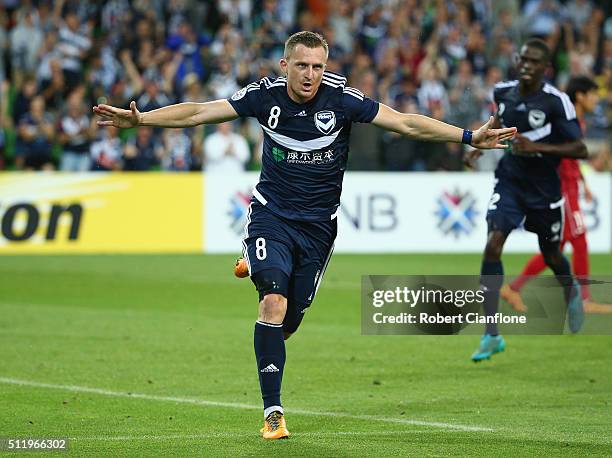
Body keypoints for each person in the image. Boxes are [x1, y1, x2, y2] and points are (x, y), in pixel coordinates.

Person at [94, 31, 516, 440]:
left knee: (288, 323)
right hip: (271, 216)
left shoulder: (343, 100)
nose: (310, 74)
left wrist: (468, 136)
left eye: (317, 66)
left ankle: (259, 270)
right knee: (272, 302)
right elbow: (199, 112)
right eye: (302, 66)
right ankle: (273, 414)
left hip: (318, 229)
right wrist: (142, 118)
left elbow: (405, 123)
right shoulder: (265, 96)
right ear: (285, 66)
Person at [465, 39, 588, 363]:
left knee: (551, 254)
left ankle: (569, 287)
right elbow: (501, 124)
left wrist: (539, 148)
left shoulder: (556, 102)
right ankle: (491, 333)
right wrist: (478, 149)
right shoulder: (503, 91)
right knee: (493, 244)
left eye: (534, 61)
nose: (526, 65)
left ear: (545, 66)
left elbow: (580, 149)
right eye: (523, 59)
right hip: (510, 182)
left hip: (545, 190)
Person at [501, 76, 612, 314]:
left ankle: (513, 288)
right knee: (579, 242)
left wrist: (584, 182)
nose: (596, 100)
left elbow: (569, 156)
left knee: (556, 248)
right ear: (581, 96)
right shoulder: (565, 118)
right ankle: (584, 300)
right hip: (562, 189)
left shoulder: (574, 119)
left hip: (568, 185)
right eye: (593, 94)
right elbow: (557, 154)